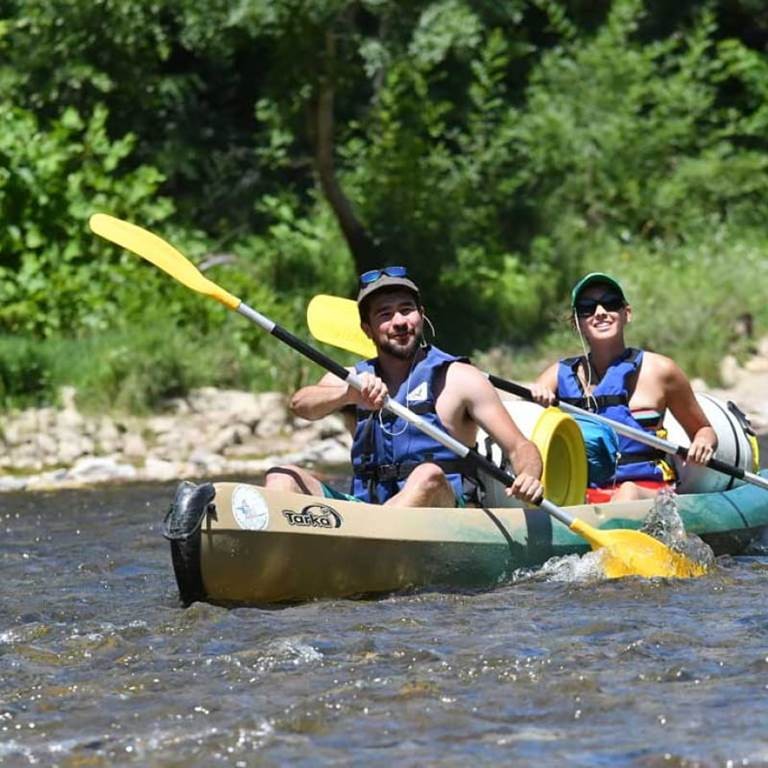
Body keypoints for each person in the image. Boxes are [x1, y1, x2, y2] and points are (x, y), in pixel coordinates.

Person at [265, 267, 544, 507]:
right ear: (367, 329)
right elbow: (300, 405)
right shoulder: (355, 379)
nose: (399, 322)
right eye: (385, 314)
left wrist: (529, 476)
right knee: (282, 476)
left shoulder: (460, 378)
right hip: (368, 511)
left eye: (406, 310)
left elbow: (521, 448)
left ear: (421, 316)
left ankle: (371, 548)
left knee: (427, 476)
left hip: (446, 512)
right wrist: (348, 394)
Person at [530, 272, 717, 503]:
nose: (600, 313)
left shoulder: (661, 371)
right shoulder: (558, 375)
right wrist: (537, 398)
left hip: (647, 490)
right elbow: (525, 423)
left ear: (626, 313)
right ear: (577, 323)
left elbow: (703, 430)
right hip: (579, 493)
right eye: (587, 308)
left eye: (610, 304)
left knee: (627, 492)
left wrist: (703, 443)